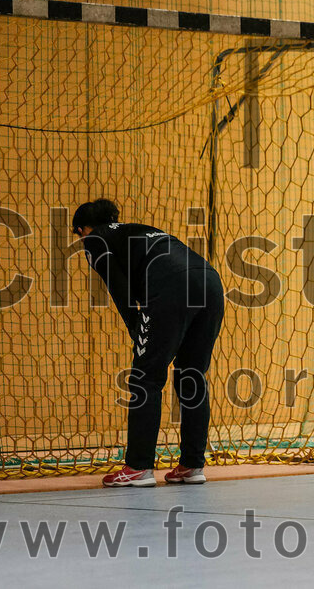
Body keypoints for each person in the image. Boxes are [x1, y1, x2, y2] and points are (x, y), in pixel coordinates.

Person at [73, 198, 225, 487]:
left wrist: (138, 331)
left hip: (173, 287)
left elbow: (119, 290)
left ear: (83, 229)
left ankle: (138, 468)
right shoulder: (141, 229)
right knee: (191, 374)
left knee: (145, 379)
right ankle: (192, 466)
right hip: (210, 282)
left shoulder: (95, 239)